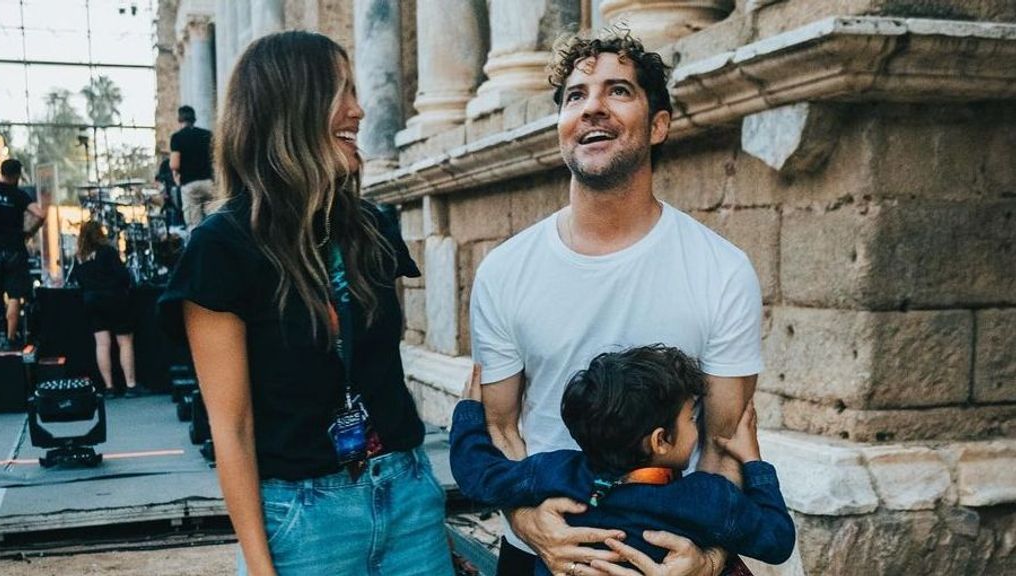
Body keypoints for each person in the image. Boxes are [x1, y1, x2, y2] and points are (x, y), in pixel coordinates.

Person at [158, 31, 454, 576]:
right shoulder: (220, 250)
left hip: (407, 497)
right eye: (339, 91)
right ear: (289, 109)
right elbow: (233, 430)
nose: (359, 110)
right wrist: (261, 567)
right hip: (304, 520)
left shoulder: (371, 228)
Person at [469, 29, 764, 576]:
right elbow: (500, 427)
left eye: (618, 91)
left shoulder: (721, 271)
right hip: (541, 553)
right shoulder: (505, 272)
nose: (592, 108)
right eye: (575, 96)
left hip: (669, 551)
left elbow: (725, 441)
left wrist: (708, 557)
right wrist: (531, 525)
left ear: (658, 125)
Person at [451, 353, 794, 576]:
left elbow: (477, 473)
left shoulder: (552, 473)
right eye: (692, 418)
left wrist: (468, 412)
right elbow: (777, 540)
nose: (698, 426)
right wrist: (753, 461)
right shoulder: (707, 499)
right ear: (660, 440)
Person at [72, 221, 145, 398]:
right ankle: (130, 384)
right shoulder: (108, 252)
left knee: (102, 344)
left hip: (91, 300)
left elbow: (79, 281)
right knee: (125, 341)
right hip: (114, 298)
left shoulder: (80, 256)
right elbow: (123, 276)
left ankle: (109, 387)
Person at [0, 159, 44, 347]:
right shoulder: (19, 195)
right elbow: (40, 214)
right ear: (17, 175)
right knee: (14, 295)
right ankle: (10, 339)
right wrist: (29, 232)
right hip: (14, 249)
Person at [169, 105, 214, 230]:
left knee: (195, 226)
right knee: (215, 220)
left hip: (190, 185)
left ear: (179, 119)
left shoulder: (177, 137)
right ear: (194, 118)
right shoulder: (207, 134)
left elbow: (174, 165)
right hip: (209, 183)